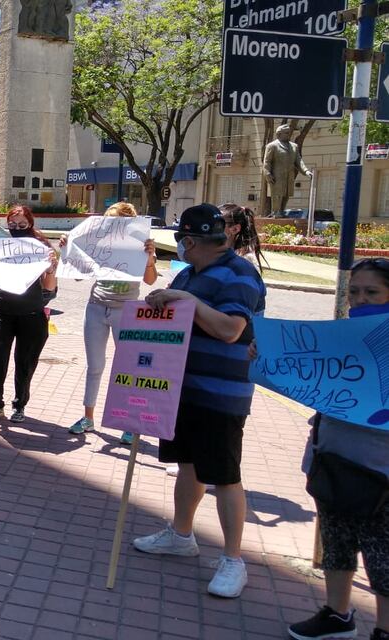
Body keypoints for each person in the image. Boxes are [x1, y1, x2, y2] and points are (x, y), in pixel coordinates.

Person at [132, 203, 266, 599]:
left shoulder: (240, 275)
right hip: (181, 386)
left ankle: (232, 560)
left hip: (221, 393)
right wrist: (164, 300)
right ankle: (180, 533)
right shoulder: (190, 273)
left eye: (181, 241)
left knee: (224, 474)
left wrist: (183, 301)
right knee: (188, 464)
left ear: (190, 241)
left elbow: (229, 329)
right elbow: (182, 315)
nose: (181, 249)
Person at [286, 259, 389, 640]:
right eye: (355, 292)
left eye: (372, 292)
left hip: (379, 468)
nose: (361, 299)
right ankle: (337, 614)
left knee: (382, 553)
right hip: (332, 455)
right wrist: (265, 361)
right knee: (337, 541)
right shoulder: (340, 337)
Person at [67, 202, 158, 445]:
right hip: (96, 307)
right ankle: (88, 417)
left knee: (128, 369)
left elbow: (150, 280)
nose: (110, 226)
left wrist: (149, 258)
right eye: (107, 222)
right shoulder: (99, 243)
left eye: (115, 222)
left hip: (126, 311)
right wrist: (69, 252)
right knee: (94, 366)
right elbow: (78, 275)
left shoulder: (140, 245)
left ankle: (128, 423)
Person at [0, 205, 58, 423]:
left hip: (31, 312)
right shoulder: (2, 247)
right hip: (2, 310)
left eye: (22, 225)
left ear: (30, 224)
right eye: (12, 225)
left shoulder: (41, 248)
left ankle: (20, 405)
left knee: (25, 362)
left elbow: (49, 288)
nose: (17, 229)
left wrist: (50, 268)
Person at [219, 203, 267, 272]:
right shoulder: (216, 255)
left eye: (218, 224)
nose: (210, 229)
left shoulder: (245, 262)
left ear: (235, 229)